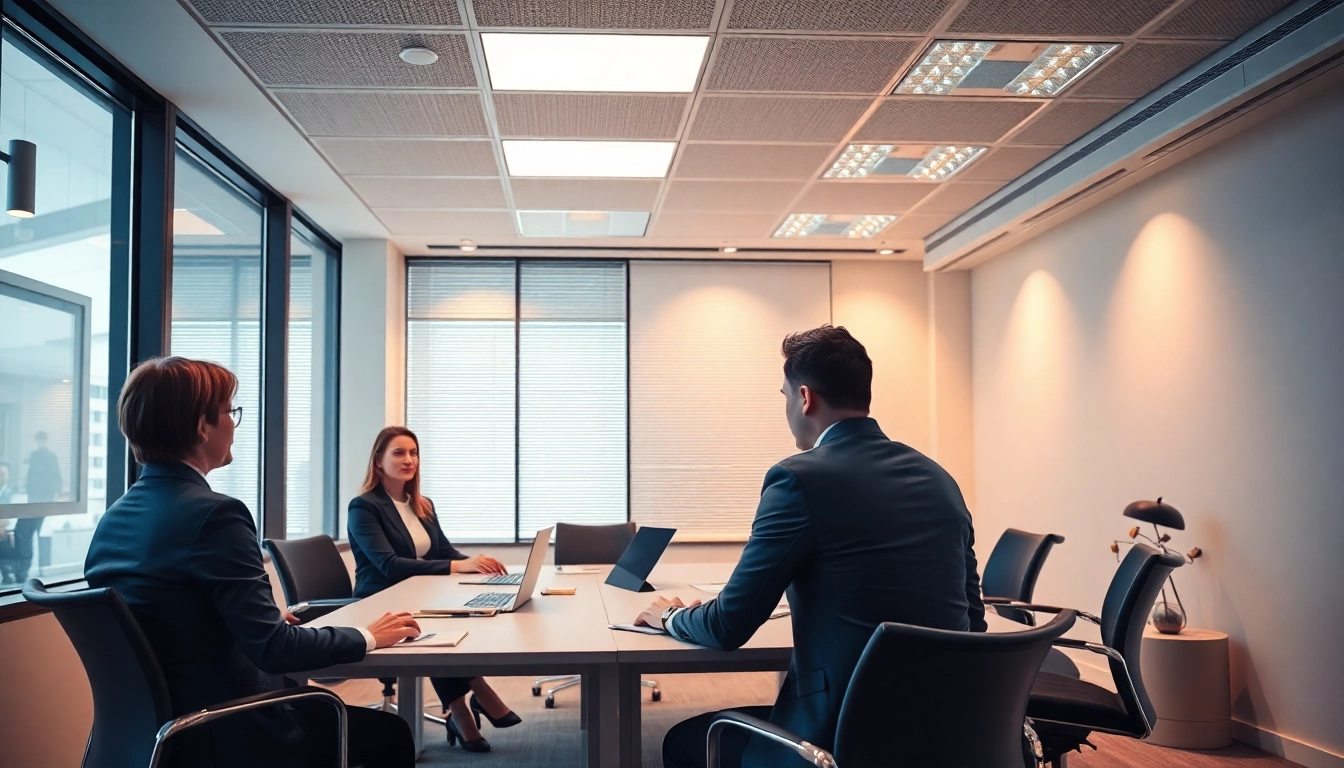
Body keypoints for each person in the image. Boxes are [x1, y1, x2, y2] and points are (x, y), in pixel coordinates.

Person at [638, 326, 988, 768]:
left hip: (838, 737)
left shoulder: (798, 478)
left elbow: (729, 625)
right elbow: (973, 622)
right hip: (947, 734)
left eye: (784, 395)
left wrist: (670, 616)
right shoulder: (940, 478)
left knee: (683, 740)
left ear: (804, 398)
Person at [85, 357, 421, 768]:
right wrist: (367, 635)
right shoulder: (215, 515)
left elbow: (169, 617)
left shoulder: (115, 518)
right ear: (201, 426)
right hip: (225, 732)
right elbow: (274, 650)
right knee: (390, 734)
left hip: (146, 735)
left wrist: (251, 618)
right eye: (229, 412)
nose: (233, 424)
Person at [347, 426, 522, 753]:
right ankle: (473, 699)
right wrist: (458, 567)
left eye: (413, 453)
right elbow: (389, 564)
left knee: (459, 620)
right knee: (438, 628)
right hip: (378, 601)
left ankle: (463, 713)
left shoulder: (421, 504)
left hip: (419, 596)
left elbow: (442, 552)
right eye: (399, 452)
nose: (409, 459)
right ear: (378, 461)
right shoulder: (364, 507)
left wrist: (475, 562)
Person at [0, 462, 17, 585]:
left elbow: (11, 515)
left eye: (3, 474)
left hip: (5, 528)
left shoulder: (12, 492)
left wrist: (2, 526)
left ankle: (8, 574)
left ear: (8, 476)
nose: (1, 476)